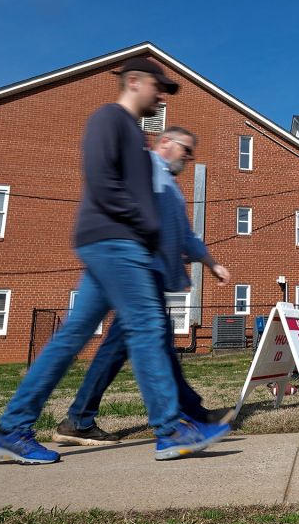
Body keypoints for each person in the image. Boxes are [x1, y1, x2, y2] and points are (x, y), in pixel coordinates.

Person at [0, 58, 231, 465]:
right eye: (157, 86)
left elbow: (166, 219)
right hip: (116, 242)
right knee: (148, 329)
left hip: (118, 244)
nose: (161, 94)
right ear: (133, 81)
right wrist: (146, 227)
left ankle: (13, 427)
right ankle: (171, 429)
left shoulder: (133, 134)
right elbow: (102, 184)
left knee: (71, 338)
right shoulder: (110, 120)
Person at [53, 127, 233, 446]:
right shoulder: (147, 169)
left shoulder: (170, 185)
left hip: (151, 276)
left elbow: (185, 236)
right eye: (185, 150)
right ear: (166, 143)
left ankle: (80, 418)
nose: (189, 158)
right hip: (138, 275)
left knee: (124, 347)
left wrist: (210, 262)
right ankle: (182, 416)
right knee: (146, 345)